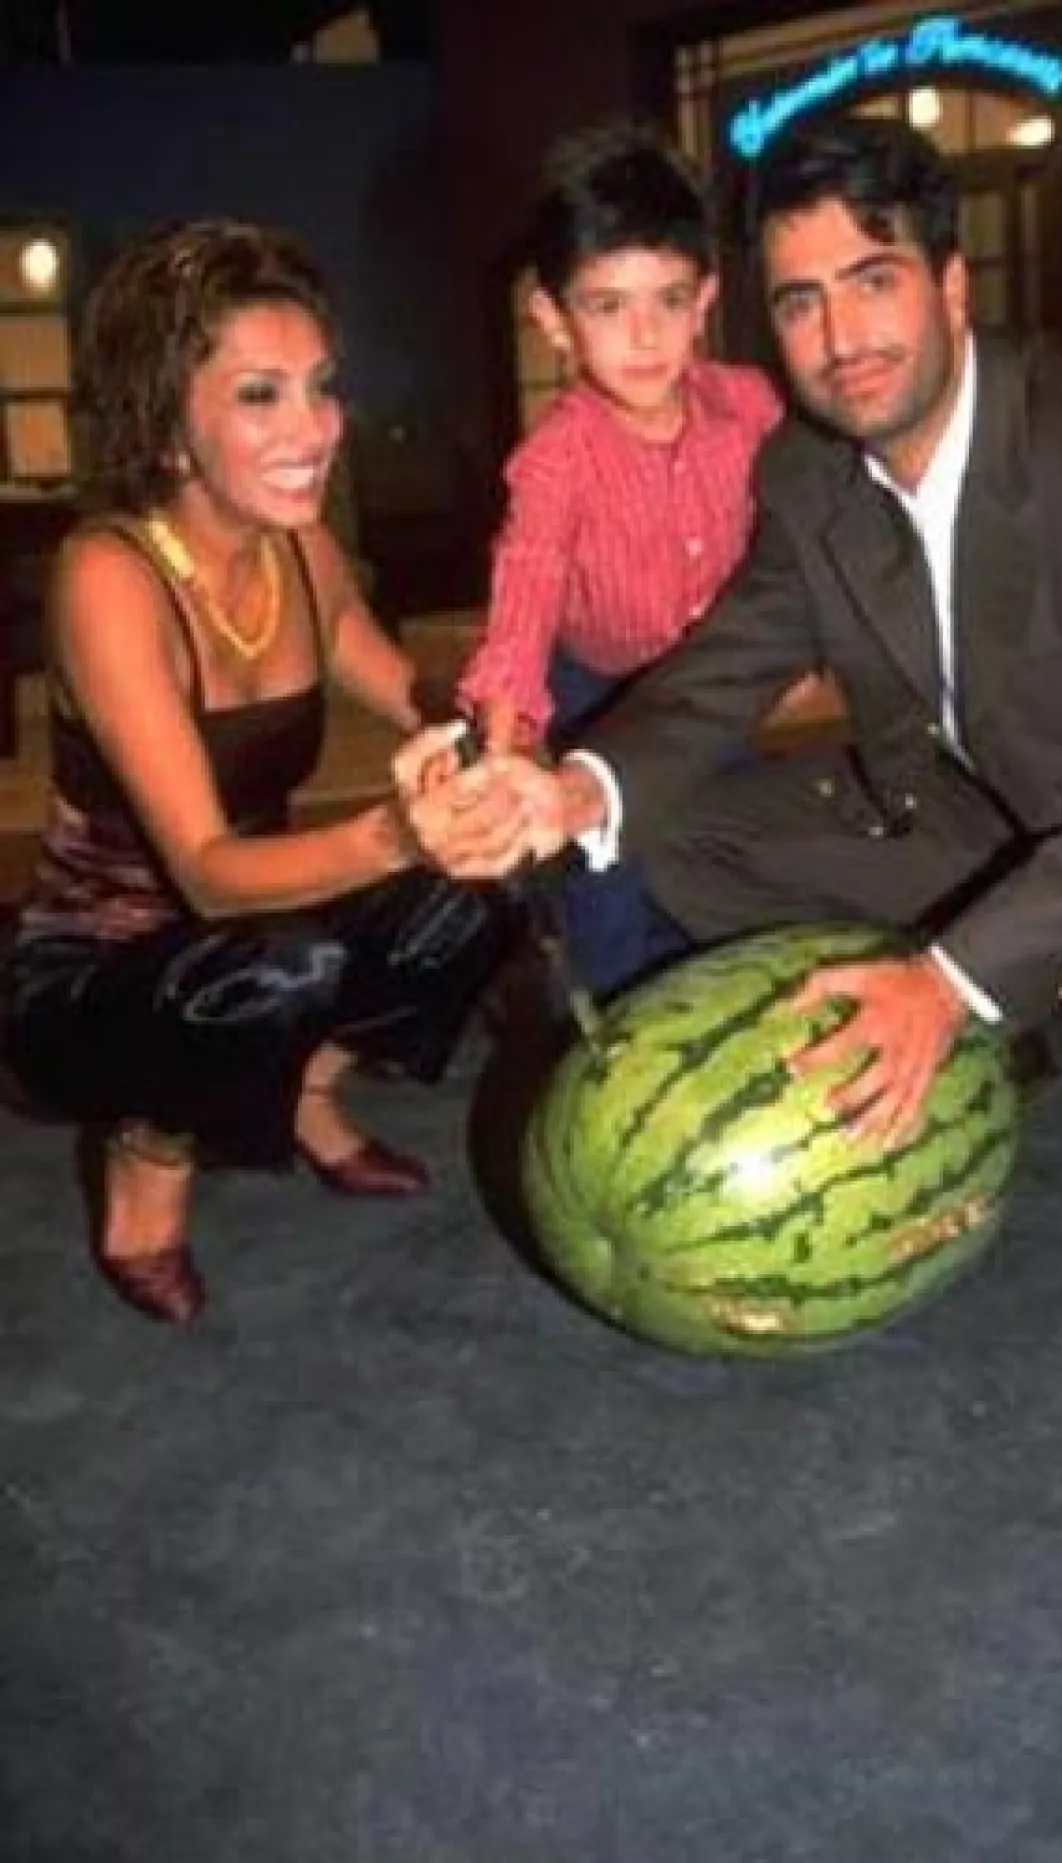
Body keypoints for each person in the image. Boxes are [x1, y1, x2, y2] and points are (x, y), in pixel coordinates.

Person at [409, 114, 1062, 1251]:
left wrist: (950, 979)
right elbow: (722, 670)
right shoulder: (809, 469)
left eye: (873, 280)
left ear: (951, 285)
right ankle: (1001, 998)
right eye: (799, 302)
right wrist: (569, 793)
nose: (842, 337)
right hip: (971, 811)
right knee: (680, 843)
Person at [0, 219, 518, 1326]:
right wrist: (398, 833)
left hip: (270, 923)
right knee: (282, 963)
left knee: (492, 877)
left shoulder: (301, 551)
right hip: (103, 969)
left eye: (320, 387)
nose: (315, 428)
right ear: (167, 422)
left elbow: (415, 696)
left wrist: (503, 734)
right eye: (259, 395)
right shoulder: (110, 577)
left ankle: (305, 1092)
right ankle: (148, 1162)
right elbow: (205, 872)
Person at [455, 117, 783, 998]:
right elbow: (523, 603)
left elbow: (816, 519)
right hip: (591, 689)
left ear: (705, 300)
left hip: (712, 678)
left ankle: (732, 1012)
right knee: (608, 887)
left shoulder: (750, 408)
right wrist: (506, 746)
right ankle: (616, 1021)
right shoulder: (553, 462)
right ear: (552, 319)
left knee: (732, 857)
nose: (644, 335)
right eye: (607, 306)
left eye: (668, 301)